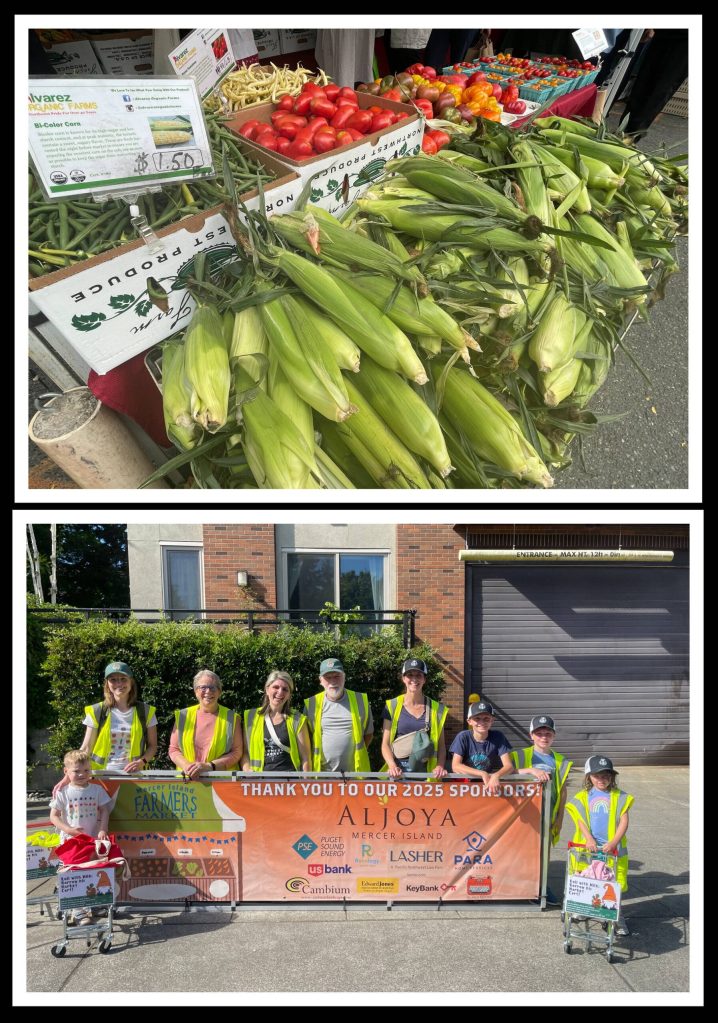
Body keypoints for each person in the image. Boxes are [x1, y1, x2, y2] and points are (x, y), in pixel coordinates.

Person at [565, 755, 634, 935]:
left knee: (614, 884)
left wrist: (613, 842)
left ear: (612, 777)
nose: (602, 779)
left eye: (606, 775)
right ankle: (582, 908)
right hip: (588, 850)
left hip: (613, 851)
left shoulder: (620, 797)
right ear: (589, 777)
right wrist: (588, 838)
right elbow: (580, 820)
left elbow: (624, 822)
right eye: (597, 776)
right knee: (586, 879)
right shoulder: (583, 797)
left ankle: (617, 917)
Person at [511, 714, 573, 905]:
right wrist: (530, 770)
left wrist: (560, 818)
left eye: (548, 733)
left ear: (553, 736)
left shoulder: (561, 761)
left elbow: (562, 791)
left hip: (547, 813)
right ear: (531, 735)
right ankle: (519, 887)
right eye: (539, 733)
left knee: (543, 853)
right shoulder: (519, 755)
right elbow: (506, 772)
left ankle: (542, 888)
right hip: (524, 813)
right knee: (521, 850)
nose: (543, 737)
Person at [49, 749, 112, 927]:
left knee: (93, 872)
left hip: (92, 842)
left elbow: (104, 810)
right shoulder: (63, 792)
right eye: (77, 771)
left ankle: (96, 905)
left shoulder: (97, 790)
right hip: (71, 844)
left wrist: (102, 828)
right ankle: (78, 911)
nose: (82, 774)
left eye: (86, 770)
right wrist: (68, 829)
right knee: (72, 875)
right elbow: (54, 816)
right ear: (66, 771)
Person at [81, 661, 157, 775]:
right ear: (107, 684)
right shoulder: (97, 711)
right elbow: (86, 748)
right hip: (101, 775)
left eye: (123, 679)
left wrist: (141, 762)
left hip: (135, 775)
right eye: (113, 679)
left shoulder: (146, 711)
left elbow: (153, 746)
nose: (119, 683)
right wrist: (70, 774)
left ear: (131, 682)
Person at [381, 657, 448, 778]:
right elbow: (385, 744)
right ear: (403, 679)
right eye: (410, 675)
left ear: (424, 679)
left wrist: (440, 765)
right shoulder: (392, 705)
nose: (414, 679)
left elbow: (442, 746)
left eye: (419, 675)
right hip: (398, 773)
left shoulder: (437, 709)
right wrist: (392, 766)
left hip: (426, 774)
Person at [169, 669, 242, 778]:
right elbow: (174, 749)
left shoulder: (232, 718)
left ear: (219, 691)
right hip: (187, 783)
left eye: (213, 687)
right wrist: (188, 767)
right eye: (203, 687)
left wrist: (210, 766)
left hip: (221, 785)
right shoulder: (183, 716)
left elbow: (237, 752)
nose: (208, 691)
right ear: (195, 691)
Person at [304, 658, 373, 772]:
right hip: (321, 775)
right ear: (320, 680)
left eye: (337, 676)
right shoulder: (311, 704)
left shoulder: (361, 700)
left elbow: (368, 734)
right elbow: (306, 740)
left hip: (355, 774)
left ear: (344, 677)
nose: (333, 681)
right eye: (328, 677)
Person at [620, 29, 688, 142]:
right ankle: (621, 130)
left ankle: (630, 137)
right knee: (642, 84)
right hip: (664, 32)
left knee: (660, 90)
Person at [242, 670, 311, 772]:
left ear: (289, 694)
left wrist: (306, 785)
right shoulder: (251, 717)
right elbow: (245, 753)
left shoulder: (298, 719)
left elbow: (305, 758)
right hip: (259, 782)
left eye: (285, 689)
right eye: (276, 687)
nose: (280, 692)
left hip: (289, 783)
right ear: (267, 689)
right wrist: (247, 770)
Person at [449, 699, 513, 792]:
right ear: (469, 721)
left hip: (486, 785)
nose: (482, 722)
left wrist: (496, 775)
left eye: (486, 718)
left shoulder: (498, 736)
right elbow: (455, 766)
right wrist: (482, 773)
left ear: (492, 720)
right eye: (477, 718)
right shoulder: (463, 737)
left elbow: (509, 766)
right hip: (464, 786)